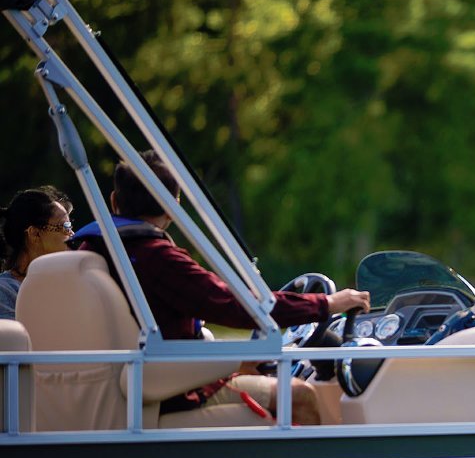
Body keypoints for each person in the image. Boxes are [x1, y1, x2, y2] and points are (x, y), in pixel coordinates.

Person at [73, 150, 370, 424]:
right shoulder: (157, 257)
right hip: (173, 393)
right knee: (300, 395)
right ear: (174, 206)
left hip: (126, 386)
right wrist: (327, 304)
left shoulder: (90, 249)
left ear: (114, 201)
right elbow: (238, 306)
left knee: (253, 368)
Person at [0, 186, 74, 320]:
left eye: (70, 226)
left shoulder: (69, 284)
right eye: (64, 227)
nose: (72, 234)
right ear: (35, 234)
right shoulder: (4, 291)